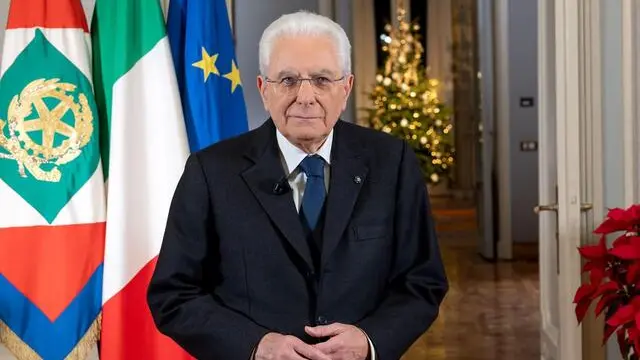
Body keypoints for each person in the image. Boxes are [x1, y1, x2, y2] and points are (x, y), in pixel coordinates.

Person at [147, 10, 448, 360]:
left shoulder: (391, 161)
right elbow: (173, 294)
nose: (305, 96)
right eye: (288, 80)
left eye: (322, 80)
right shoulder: (211, 170)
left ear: (346, 87)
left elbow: (423, 281)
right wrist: (254, 346)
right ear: (263, 89)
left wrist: (370, 340)